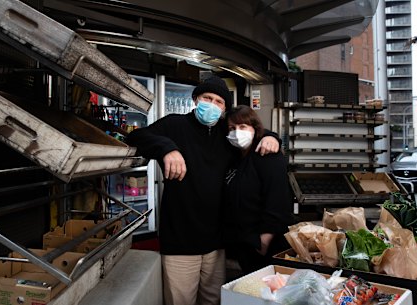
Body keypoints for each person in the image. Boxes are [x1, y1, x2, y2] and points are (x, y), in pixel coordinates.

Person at [126, 75, 280, 305]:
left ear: (224, 108)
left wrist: (271, 137)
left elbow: (251, 131)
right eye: (207, 98)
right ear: (196, 99)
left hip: (216, 246)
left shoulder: (226, 133)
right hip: (180, 244)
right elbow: (136, 136)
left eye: (219, 101)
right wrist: (167, 148)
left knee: (213, 301)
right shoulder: (174, 124)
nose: (212, 104)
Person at [224, 105, 294, 275]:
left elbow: (278, 199)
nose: (237, 132)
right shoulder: (234, 157)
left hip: (264, 245)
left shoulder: (268, 154)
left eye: (242, 127)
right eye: (232, 128)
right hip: (243, 243)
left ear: (254, 128)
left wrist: (264, 240)